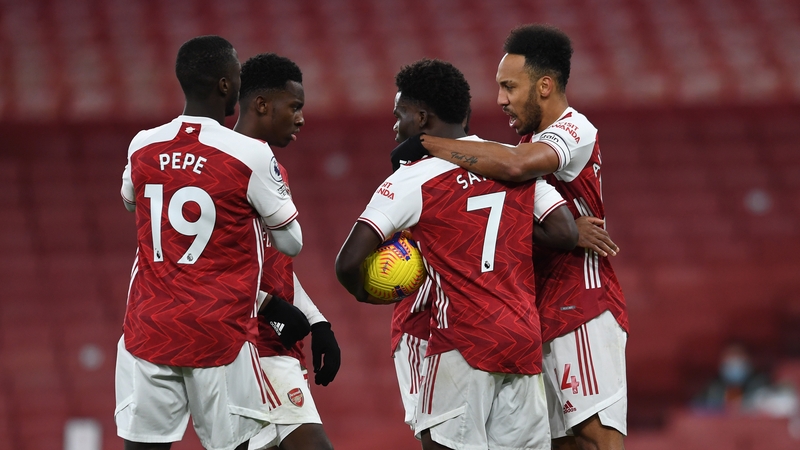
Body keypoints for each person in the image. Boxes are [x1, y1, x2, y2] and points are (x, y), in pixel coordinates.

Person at [391, 24, 628, 450]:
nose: (501, 99)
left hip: (581, 303)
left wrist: (430, 144)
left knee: (595, 439)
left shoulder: (574, 129)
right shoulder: (523, 142)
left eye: (509, 87)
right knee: (561, 444)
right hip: (534, 311)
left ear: (544, 86)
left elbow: (519, 165)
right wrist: (560, 231)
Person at [336, 58, 579, 450]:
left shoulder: (412, 178)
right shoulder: (511, 161)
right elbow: (565, 232)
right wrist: (510, 220)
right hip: (522, 340)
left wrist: (367, 292)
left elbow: (347, 262)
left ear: (421, 117)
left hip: (462, 341)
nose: (395, 127)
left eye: (399, 115)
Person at [116, 36, 308, 450]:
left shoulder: (143, 144)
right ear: (225, 84)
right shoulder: (248, 154)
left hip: (150, 328)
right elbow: (291, 243)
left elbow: (130, 200)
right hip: (219, 332)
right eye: (237, 75)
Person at [232, 52, 338, 450]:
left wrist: (318, 322)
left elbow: (272, 262)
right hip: (248, 343)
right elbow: (207, 265)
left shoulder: (269, 165)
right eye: (294, 107)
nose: (301, 119)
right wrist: (267, 306)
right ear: (262, 104)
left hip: (274, 343)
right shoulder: (225, 164)